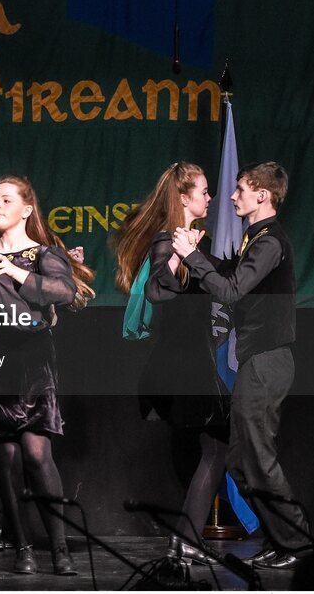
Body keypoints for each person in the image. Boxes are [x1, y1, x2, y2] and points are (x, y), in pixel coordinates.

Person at [171, 162, 312, 570]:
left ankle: (297, 542)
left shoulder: (269, 242)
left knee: (259, 456)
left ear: (262, 195)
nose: (231, 197)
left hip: (268, 359)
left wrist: (192, 258)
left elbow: (231, 290)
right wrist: (195, 253)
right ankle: (278, 537)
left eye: (240, 189)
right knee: (238, 460)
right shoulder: (255, 239)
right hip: (256, 359)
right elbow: (228, 271)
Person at [114, 162, 230, 564]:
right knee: (217, 448)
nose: (210, 197)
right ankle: (186, 542)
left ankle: (185, 540)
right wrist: (182, 256)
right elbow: (158, 290)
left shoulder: (186, 238)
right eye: (204, 190)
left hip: (184, 359)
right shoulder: (170, 239)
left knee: (200, 451)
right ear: (184, 197)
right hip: (186, 364)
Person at [0, 175, 95, 576]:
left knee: (35, 451)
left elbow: (63, 293)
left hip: (32, 363)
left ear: (27, 209)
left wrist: (11, 270)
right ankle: (23, 547)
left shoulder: (42, 253)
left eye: (6, 199)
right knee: (6, 457)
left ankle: (60, 548)